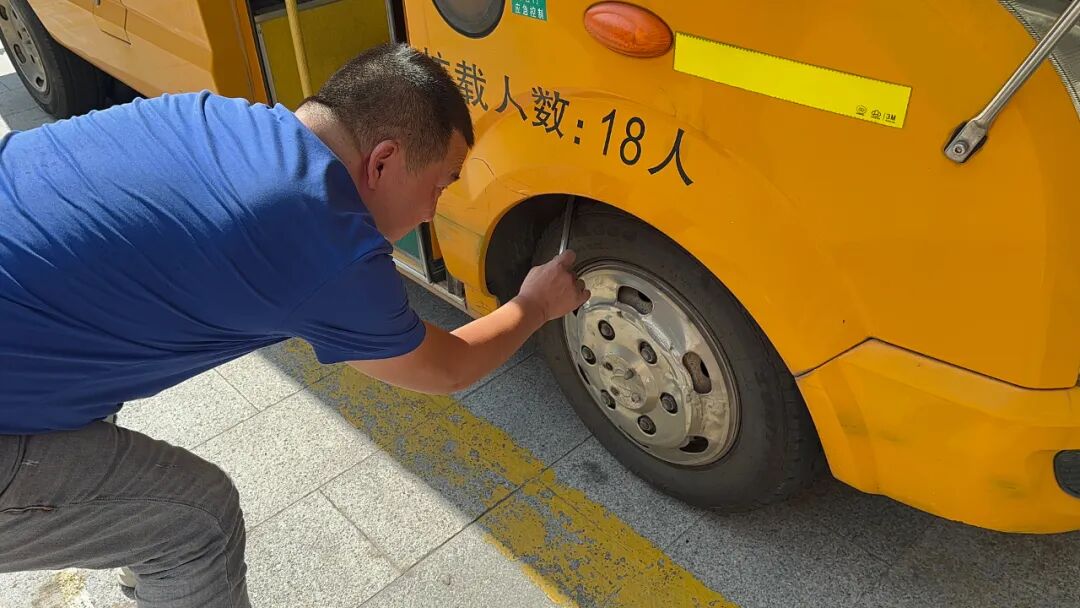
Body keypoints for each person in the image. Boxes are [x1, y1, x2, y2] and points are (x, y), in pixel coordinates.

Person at [0, 43, 588, 607]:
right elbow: (446, 367)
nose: (433, 210)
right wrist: (534, 304)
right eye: (438, 184)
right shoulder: (319, 229)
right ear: (382, 161)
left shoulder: (219, 117)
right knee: (194, 523)